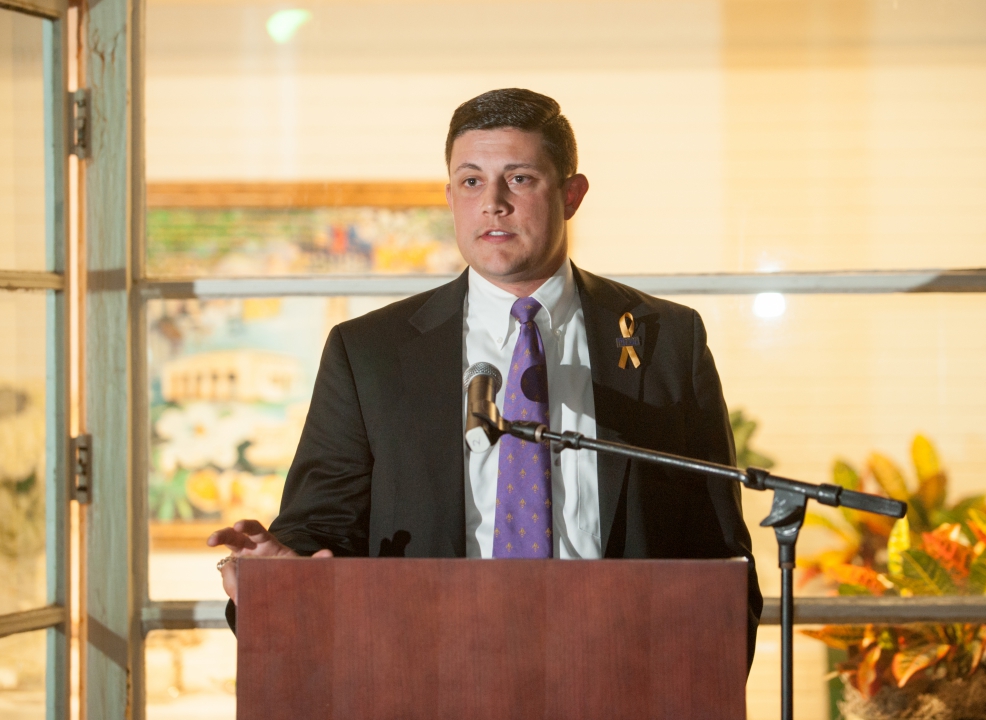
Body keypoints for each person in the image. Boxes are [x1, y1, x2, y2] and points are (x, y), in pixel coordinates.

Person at [209, 88, 762, 665]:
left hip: (620, 673)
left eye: (519, 178)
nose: (492, 203)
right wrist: (277, 581)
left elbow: (718, 553)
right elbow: (321, 529)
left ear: (572, 195)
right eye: (471, 181)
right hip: (430, 678)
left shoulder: (666, 340)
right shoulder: (370, 352)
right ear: (450, 198)